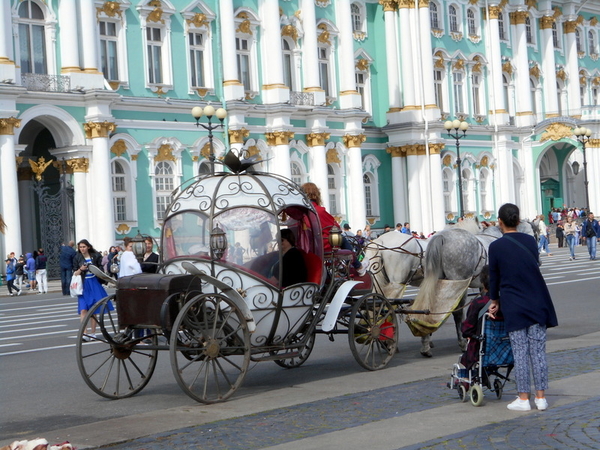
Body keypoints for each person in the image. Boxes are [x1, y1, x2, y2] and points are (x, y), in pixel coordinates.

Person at [488, 203, 558, 412]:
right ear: (518, 221)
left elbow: (494, 277)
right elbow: (533, 264)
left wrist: (494, 300)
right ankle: (541, 398)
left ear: (500, 222)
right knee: (538, 352)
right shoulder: (529, 241)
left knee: (519, 352)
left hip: (514, 305)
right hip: (537, 301)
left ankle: (523, 398)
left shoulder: (496, 247)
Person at [301, 182, 368, 276]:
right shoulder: (319, 211)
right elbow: (336, 227)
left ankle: (341, 266)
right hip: (323, 245)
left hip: (307, 246)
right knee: (342, 238)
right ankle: (358, 266)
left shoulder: (300, 212)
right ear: (316, 194)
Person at [460, 266, 499, 369]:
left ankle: (466, 378)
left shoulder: (478, 303)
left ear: (483, 284)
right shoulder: (507, 302)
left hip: (481, 349)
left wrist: (467, 333)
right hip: (503, 350)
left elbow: (467, 329)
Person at [73, 239, 112, 341]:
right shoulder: (77, 257)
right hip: (83, 285)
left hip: (94, 283)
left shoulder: (95, 256)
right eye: (80, 247)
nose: (82, 249)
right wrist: (81, 269)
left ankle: (93, 333)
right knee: (83, 309)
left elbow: (101, 269)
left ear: (88, 247)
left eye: (84, 247)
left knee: (93, 309)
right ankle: (85, 333)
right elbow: (74, 273)